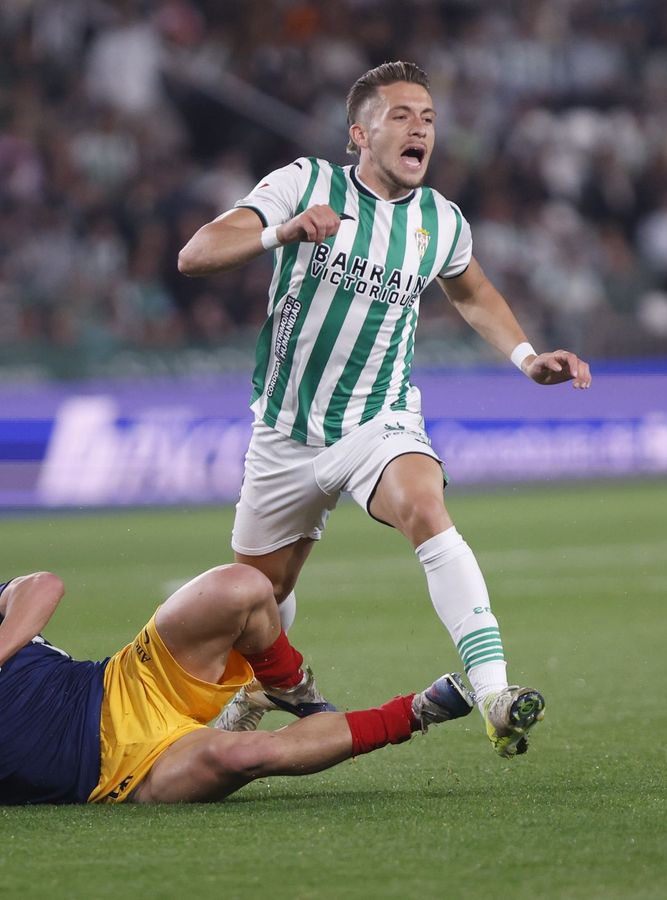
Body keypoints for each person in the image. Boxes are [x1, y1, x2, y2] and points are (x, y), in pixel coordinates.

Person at [176, 61, 592, 757]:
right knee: (256, 595)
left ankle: (493, 692)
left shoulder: (440, 221)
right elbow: (196, 254)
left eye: (428, 117)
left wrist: (526, 357)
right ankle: (258, 686)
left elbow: (473, 292)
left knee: (425, 506)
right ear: (359, 133)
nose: (420, 128)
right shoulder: (303, 184)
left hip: (379, 419)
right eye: (401, 115)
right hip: (284, 431)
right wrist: (285, 233)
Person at [0, 535, 473, 813]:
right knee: (241, 757)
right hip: (119, 775)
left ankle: (290, 688)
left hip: (124, 683)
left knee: (242, 586)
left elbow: (47, 588)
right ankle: (425, 709)